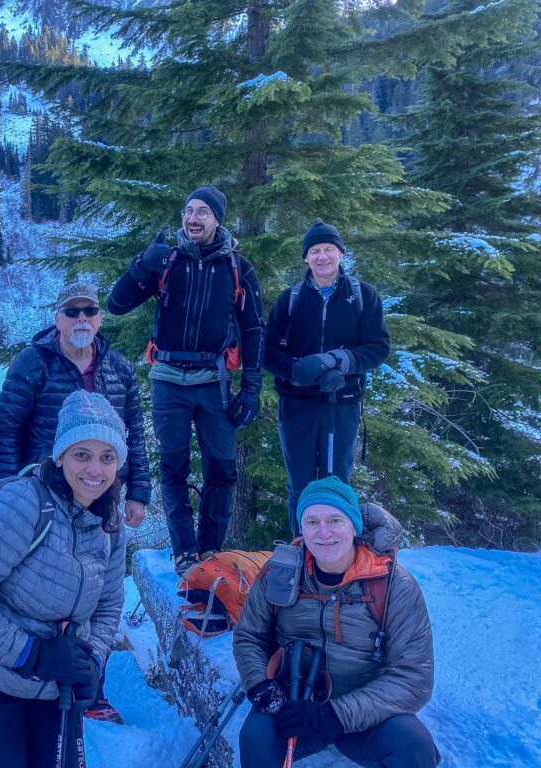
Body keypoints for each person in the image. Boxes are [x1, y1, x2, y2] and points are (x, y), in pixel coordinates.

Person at [0, 390, 127, 768]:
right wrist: (32, 653)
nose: (95, 471)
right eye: (82, 455)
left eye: (107, 457)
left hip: (55, 685)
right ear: (59, 456)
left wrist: (92, 660)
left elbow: (109, 603)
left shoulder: (109, 520)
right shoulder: (23, 504)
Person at [0, 279, 149, 724]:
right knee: (47, 587)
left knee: (99, 591)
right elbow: (6, 430)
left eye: (89, 311)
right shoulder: (32, 364)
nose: (81, 319)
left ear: (99, 318)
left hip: (104, 497)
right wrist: (7, 491)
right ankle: (28, 674)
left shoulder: (118, 367)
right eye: (72, 311)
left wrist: (138, 491)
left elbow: (133, 434)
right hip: (44, 498)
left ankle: (90, 684)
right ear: (57, 319)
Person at [108, 186, 264, 575]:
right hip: (168, 382)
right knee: (174, 468)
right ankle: (184, 552)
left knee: (223, 468)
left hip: (214, 381)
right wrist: (140, 264)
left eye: (202, 213)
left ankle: (210, 550)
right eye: (188, 211)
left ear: (217, 220)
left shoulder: (238, 268)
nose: (192, 219)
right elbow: (117, 304)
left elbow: (253, 330)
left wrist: (252, 387)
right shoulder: (166, 262)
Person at [232, 477, 439, 768]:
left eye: (335, 520)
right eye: (312, 522)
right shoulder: (279, 574)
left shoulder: (394, 585)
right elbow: (249, 637)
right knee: (256, 735)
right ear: (301, 528)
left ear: (353, 526)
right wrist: (261, 686)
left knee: (413, 746)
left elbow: (413, 677)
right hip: (294, 699)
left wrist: (334, 716)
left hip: (368, 710)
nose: (324, 532)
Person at [263, 220, 390, 533]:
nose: (322, 256)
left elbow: (378, 347)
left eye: (329, 249)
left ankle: (337, 556)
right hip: (297, 406)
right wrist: (295, 371)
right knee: (300, 486)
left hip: (341, 404)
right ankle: (302, 556)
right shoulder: (290, 299)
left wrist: (341, 363)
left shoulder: (363, 296)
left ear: (341, 254)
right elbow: (265, 351)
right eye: (315, 250)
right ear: (306, 258)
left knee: (336, 483)